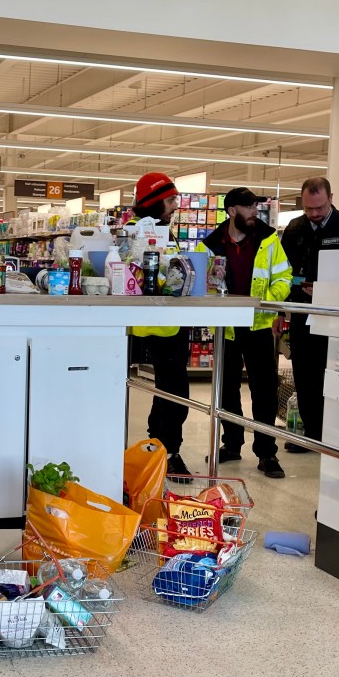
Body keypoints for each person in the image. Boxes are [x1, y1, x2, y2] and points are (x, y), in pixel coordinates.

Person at [196, 187, 292, 479]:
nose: (254, 212)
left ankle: (267, 453)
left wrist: (266, 302)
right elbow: (200, 282)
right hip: (225, 328)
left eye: (255, 207)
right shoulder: (210, 244)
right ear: (232, 211)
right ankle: (232, 443)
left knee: (264, 391)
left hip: (258, 325)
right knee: (226, 389)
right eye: (249, 207)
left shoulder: (268, 239)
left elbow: (284, 276)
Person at [278, 177, 339, 451]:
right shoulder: (294, 228)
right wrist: (282, 311)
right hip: (302, 312)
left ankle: (336, 435)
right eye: (308, 209)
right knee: (305, 373)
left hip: (336, 315)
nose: (314, 214)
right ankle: (312, 435)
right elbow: (282, 272)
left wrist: (329, 292)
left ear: (331, 197)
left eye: (319, 207)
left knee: (333, 372)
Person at [128, 172, 190, 478]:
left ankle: (163, 447)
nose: (175, 205)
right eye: (170, 199)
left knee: (171, 390)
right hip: (140, 325)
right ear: (153, 202)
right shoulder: (132, 233)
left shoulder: (165, 230)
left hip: (168, 323)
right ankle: (164, 450)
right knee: (174, 390)